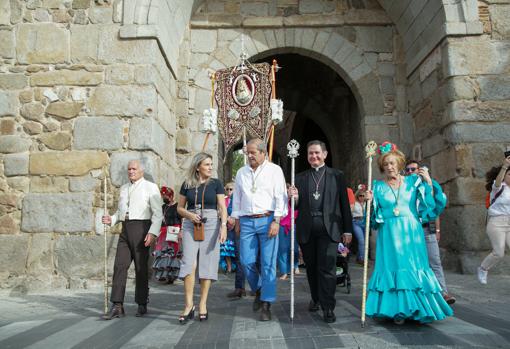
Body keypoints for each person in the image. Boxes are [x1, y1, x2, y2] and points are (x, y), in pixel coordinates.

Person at [364, 142, 453, 324]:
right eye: (386, 164)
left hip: (411, 232)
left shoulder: (413, 182)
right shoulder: (377, 187)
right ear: (382, 166)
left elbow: (431, 204)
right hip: (389, 234)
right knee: (393, 268)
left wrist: (428, 181)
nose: (389, 167)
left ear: (399, 163)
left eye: (392, 163)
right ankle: (397, 310)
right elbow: (372, 219)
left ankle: (418, 308)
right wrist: (369, 202)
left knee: (412, 267)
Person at [288, 140, 353, 323]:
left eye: (317, 153)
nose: (314, 156)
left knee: (327, 269)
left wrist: (347, 230)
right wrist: (294, 197)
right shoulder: (299, 177)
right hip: (307, 228)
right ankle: (315, 298)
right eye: (310, 153)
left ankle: (328, 306)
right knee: (311, 269)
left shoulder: (336, 175)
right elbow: (295, 206)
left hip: (329, 229)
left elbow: (344, 205)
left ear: (324, 154)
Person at [231, 138, 287, 321]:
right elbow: (237, 198)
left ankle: (266, 304)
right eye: (248, 153)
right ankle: (259, 288)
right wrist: (237, 218)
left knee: (268, 263)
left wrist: (276, 220)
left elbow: (281, 196)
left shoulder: (274, 170)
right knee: (246, 260)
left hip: (268, 219)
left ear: (264, 153)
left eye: (253, 152)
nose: (250, 155)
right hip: (246, 221)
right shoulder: (241, 172)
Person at [102, 160, 163, 319]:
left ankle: (142, 303)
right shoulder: (123, 188)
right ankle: (117, 305)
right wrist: (112, 219)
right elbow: (122, 211)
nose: (131, 171)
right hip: (125, 228)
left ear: (141, 171)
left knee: (140, 268)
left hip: (142, 228)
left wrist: (153, 233)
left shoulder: (150, 187)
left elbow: (158, 213)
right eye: (129, 169)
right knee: (119, 265)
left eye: (134, 169)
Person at [177, 152, 227, 323]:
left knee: (208, 262)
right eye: (207, 164)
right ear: (198, 167)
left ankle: (203, 304)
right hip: (192, 222)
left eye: (211, 164)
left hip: (212, 222)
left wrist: (224, 226)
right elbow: (179, 208)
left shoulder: (217, 184)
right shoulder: (187, 184)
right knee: (189, 262)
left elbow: (222, 207)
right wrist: (189, 216)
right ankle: (188, 304)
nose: (210, 167)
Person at [404, 160, 456, 305]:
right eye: (407, 170)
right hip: (410, 231)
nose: (410, 172)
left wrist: (428, 182)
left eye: (413, 169)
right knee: (413, 264)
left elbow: (434, 209)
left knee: (435, 261)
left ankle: (443, 293)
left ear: (420, 170)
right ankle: (419, 295)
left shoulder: (430, 184)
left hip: (427, 228)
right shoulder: (404, 187)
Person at [477, 155, 510, 284]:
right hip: (497, 222)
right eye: (509, 174)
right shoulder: (499, 187)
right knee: (499, 252)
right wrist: (505, 166)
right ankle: (483, 269)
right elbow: (497, 182)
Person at [277, 189, 300, 281]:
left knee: (294, 248)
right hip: (282, 226)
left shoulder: (296, 199)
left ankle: (295, 265)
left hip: (294, 225)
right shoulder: (281, 199)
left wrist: (295, 197)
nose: (290, 192)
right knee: (282, 249)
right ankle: (284, 271)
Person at [220, 182, 236, 273]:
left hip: (236, 226)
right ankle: (229, 267)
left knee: (236, 248)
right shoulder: (223, 200)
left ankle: (236, 266)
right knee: (226, 247)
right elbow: (220, 211)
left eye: (231, 189)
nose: (229, 191)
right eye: (227, 189)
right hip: (226, 226)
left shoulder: (238, 199)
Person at [351, 184, 368, 265]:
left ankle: (359, 257)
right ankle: (362, 259)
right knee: (361, 241)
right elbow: (350, 211)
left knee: (364, 242)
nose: (362, 197)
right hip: (356, 222)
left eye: (363, 196)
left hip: (365, 222)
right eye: (360, 195)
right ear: (357, 196)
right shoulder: (354, 203)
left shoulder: (367, 203)